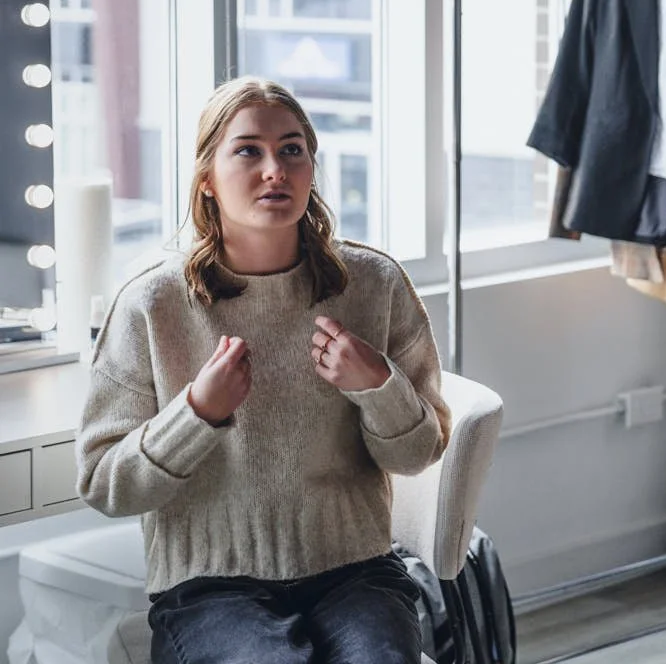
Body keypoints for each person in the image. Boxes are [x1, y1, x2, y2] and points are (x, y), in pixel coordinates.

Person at [77, 76, 451, 664]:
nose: (275, 170)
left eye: (292, 149)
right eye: (248, 150)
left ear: (311, 167)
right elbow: (105, 485)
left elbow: (417, 454)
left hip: (357, 572)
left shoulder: (375, 284)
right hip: (209, 588)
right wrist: (196, 415)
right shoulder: (152, 304)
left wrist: (378, 386)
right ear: (207, 178)